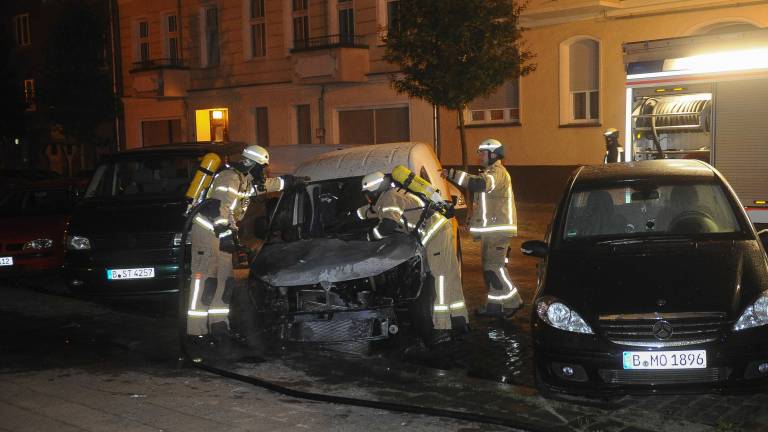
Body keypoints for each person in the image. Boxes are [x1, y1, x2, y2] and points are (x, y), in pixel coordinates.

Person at [186, 145, 299, 339]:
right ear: (252, 164)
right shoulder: (229, 177)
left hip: (224, 232)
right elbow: (220, 206)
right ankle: (196, 332)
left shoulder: (244, 179)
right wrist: (225, 232)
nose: (264, 171)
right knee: (206, 282)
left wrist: (287, 182)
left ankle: (219, 326)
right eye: (262, 167)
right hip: (207, 232)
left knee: (224, 281)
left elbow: (262, 187)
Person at [359, 170, 468, 344]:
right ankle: (460, 321)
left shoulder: (389, 198)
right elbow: (374, 211)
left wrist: (366, 237)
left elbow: (387, 226)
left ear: (374, 191)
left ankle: (442, 327)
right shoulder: (390, 196)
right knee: (450, 275)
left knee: (440, 277)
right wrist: (353, 215)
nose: (368, 199)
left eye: (368, 195)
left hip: (435, 234)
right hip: (441, 229)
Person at [443, 138, 523, 318]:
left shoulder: (497, 173)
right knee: (490, 268)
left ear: (493, 154)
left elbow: (479, 184)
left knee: (494, 268)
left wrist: (453, 175)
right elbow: (484, 203)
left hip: (498, 231)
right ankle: (495, 306)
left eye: (482, 153)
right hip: (493, 230)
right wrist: (473, 222)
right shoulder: (490, 172)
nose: (479, 156)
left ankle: (513, 301)